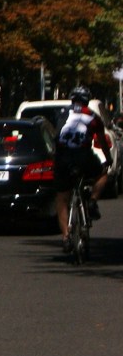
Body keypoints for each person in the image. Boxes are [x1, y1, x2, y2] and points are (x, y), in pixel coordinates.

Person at [55, 86, 109, 249]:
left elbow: (55, 137)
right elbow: (102, 141)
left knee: (62, 197)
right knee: (102, 173)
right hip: (83, 156)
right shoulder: (93, 116)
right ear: (87, 101)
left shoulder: (62, 113)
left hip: (63, 158)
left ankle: (65, 236)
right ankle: (92, 201)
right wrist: (109, 159)